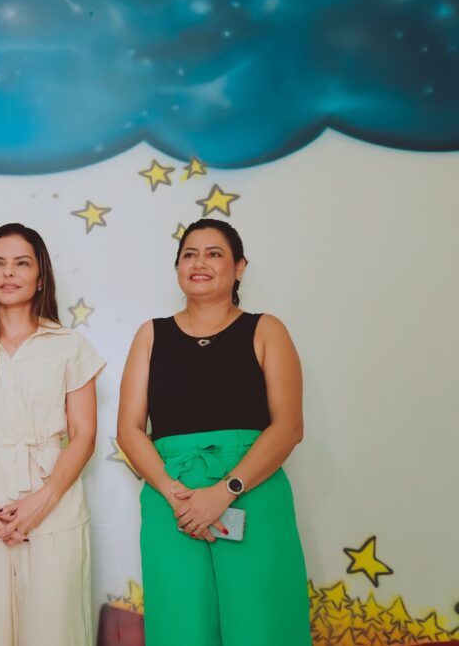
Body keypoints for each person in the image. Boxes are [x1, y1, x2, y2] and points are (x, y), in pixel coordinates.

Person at [116, 218, 311, 646]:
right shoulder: (150, 335)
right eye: (189, 254)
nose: (199, 263)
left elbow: (288, 427)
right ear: (178, 267)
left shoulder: (266, 329)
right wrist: (175, 495)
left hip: (253, 491)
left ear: (239, 267)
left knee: (262, 623)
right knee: (181, 625)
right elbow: (129, 430)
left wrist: (226, 490)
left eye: (214, 254)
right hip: (174, 501)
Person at [0, 223, 105, 646]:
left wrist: (41, 502)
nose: (8, 273)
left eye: (22, 263)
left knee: (55, 632)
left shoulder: (70, 346)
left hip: (55, 506)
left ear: (40, 276)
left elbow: (84, 434)